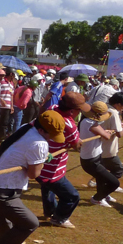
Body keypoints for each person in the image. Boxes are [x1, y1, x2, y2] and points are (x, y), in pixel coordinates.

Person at [0, 111, 60, 244]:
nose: (53, 139)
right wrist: (42, 159)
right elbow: (33, 175)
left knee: (6, 212)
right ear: (41, 130)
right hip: (3, 189)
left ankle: (5, 237)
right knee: (30, 223)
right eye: (52, 134)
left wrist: (41, 158)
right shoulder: (39, 143)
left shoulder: (27, 127)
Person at [37, 93, 89, 228]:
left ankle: (50, 212)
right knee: (72, 196)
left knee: (47, 188)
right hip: (53, 169)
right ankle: (59, 218)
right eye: (79, 110)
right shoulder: (69, 125)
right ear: (73, 110)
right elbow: (76, 146)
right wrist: (78, 142)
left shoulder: (52, 109)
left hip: (39, 164)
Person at [78, 101, 119, 207]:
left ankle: (103, 195)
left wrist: (108, 131)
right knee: (114, 183)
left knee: (101, 179)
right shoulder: (90, 123)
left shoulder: (87, 121)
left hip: (96, 156)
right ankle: (97, 198)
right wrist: (110, 132)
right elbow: (106, 136)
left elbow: (103, 132)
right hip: (91, 161)